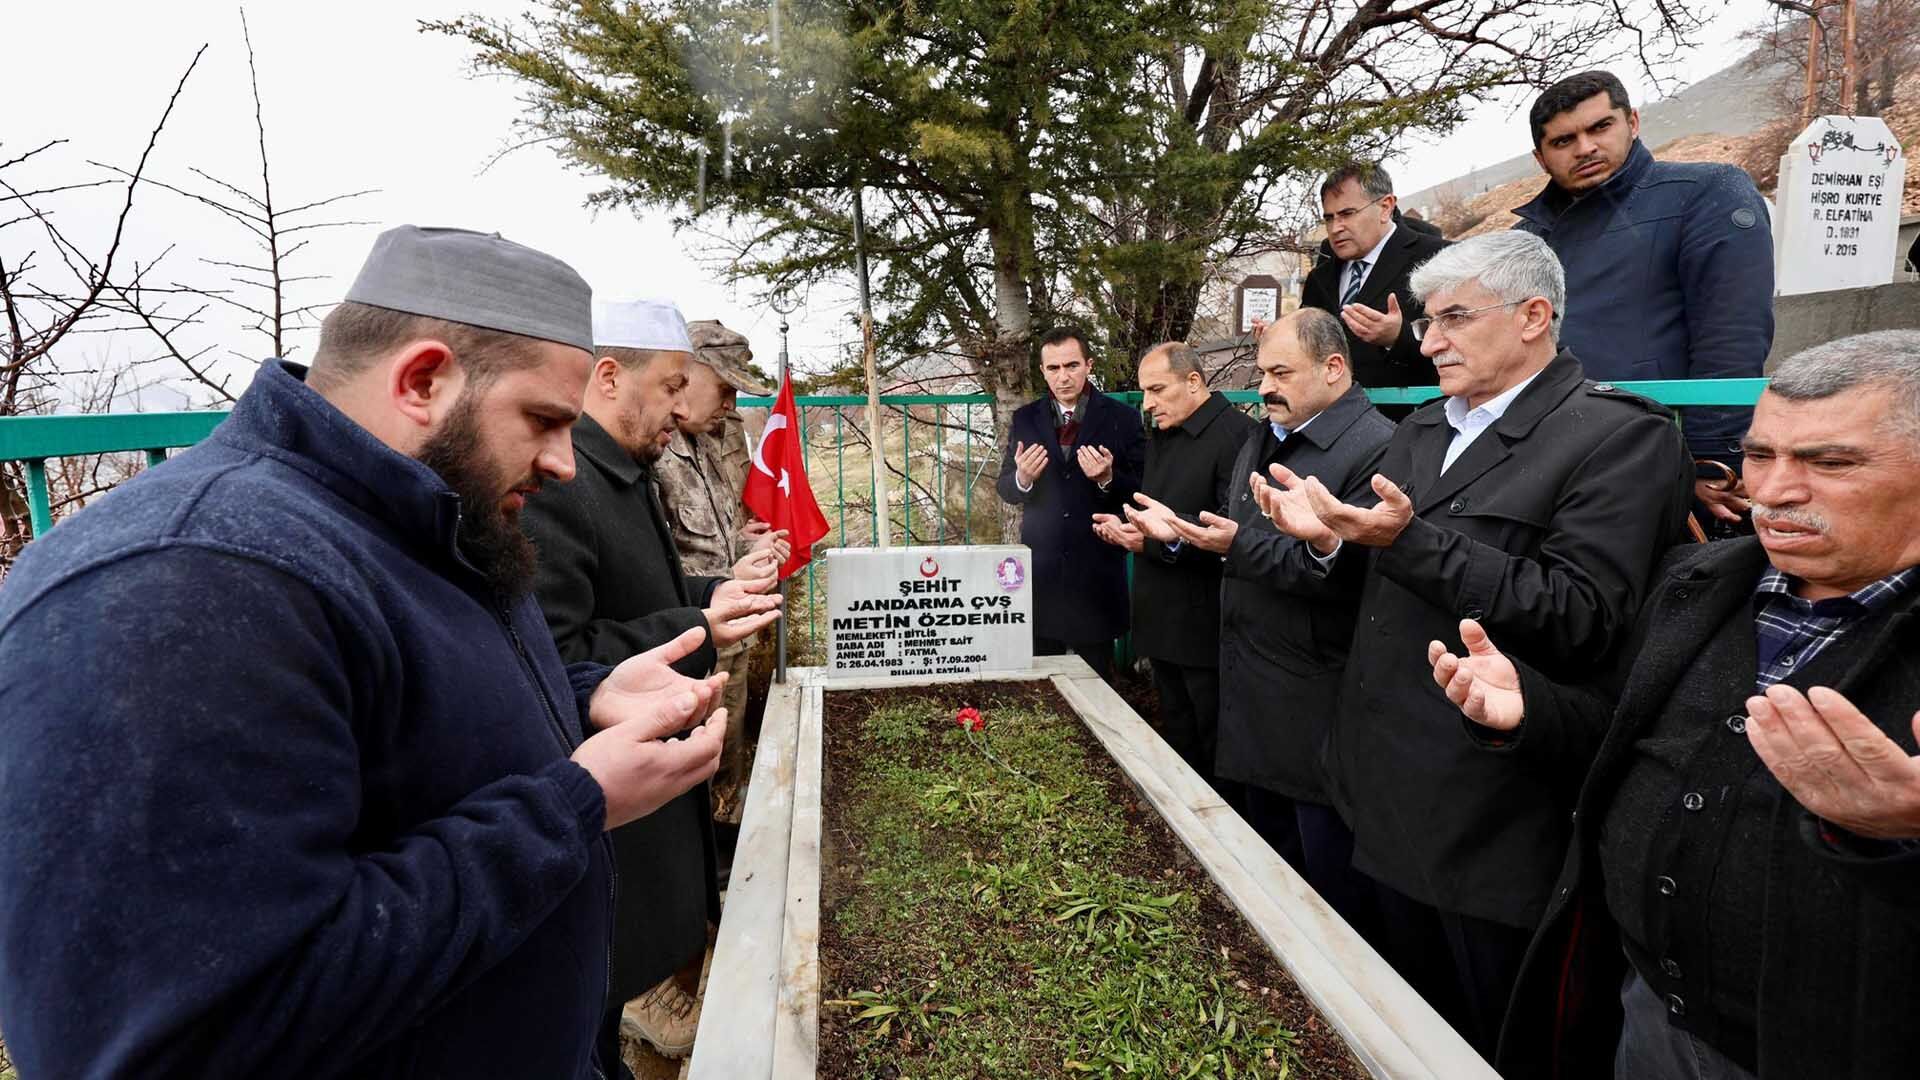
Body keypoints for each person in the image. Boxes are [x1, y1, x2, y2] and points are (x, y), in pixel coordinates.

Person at [0, 226, 730, 1078]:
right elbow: (196, 1031)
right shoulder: (183, 585)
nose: (565, 462)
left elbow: (403, 734)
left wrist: (583, 697)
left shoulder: (429, 516)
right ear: (423, 380)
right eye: (542, 419)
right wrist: (573, 806)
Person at [1431, 331, 1920, 1080]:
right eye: (1761, 456)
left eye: (1830, 462)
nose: (1775, 491)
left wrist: (1901, 836)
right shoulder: (1697, 583)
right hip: (1646, 1012)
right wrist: (1533, 712)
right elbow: (1621, 737)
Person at [1256, 230, 1693, 1056]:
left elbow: (1584, 613)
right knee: (1382, 1025)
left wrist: (1408, 541)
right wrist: (1326, 539)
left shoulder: (1618, 438)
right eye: (1427, 319)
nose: (1429, 340)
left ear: (1535, 316)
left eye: (1455, 317)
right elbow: (1380, 584)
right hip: (1374, 789)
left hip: (1484, 820)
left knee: (1482, 1036)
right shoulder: (1422, 427)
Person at [519, 298, 783, 1066]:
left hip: (645, 795)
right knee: (591, 1013)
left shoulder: (623, 468)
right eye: (671, 387)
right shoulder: (565, 486)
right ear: (608, 377)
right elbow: (559, 653)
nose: (681, 408)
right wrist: (698, 627)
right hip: (610, 812)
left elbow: (638, 594)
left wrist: (707, 599)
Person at [1139, 309, 1394, 933]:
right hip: (1250, 679)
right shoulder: (1266, 435)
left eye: (1281, 372)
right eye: (1261, 373)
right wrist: (1183, 536)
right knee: (1263, 862)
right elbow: (1240, 535)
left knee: (1322, 880)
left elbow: (1347, 573)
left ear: (1334, 369)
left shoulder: (1377, 447)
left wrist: (1234, 547)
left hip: (1311, 699)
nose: (1264, 388)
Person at [1513, 70, 1774, 534]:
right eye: (1563, 140)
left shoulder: (1706, 192)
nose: (1585, 148)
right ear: (1540, 156)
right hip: (1558, 465)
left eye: (1600, 127)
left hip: (1668, 458)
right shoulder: (1526, 239)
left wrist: (1708, 461)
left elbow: (1731, 336)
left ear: (1632, 121)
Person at [1094, 342, 1256, 794]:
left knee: (1214, 742)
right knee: (1179, 734)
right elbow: (1157, 512)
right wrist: (1133, 531)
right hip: (1162, 615)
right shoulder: (1164, 434)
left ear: (1193, 381)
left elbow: (1233, 535)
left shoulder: (1238, 436)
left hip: (1205, 622)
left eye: (1157, 390)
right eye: (1144, 392)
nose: (1147, 403)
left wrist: (1159, 542)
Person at [655, 319, 786, 824]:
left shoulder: (710, 443)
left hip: (731, 637)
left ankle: (726, 842)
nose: (731, 405)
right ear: (687, 375)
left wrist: (748, 546)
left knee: (724, 756)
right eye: (726, 389)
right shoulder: (652, 450)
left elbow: (712, 531)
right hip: (684, 642)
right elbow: (657, 558)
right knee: (687, 771)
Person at [995, 326, 1145, 679]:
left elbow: (1142, 488)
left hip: (1096, 569)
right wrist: (1023, 479)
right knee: (1041, 675)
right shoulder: (1025, 419)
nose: (1063, 377)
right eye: (1053, 368)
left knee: (1097, 677)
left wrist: (1109, 478)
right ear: (1043, 371)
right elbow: (1006, 488)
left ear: (1088, 365)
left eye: (1072, 365)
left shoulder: (1122, 418)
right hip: (1042, 571)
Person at [1300, 161, 1450, 400]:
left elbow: (1463, 346)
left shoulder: (1438, 258)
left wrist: (1398, 338)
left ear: (1385, 207)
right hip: (1332, 423)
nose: (1336, 227)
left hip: (1410, 423)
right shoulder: (1320, 276)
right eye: (1329, 218)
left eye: (1347, 214)